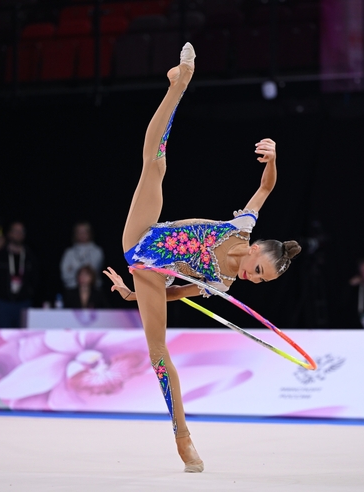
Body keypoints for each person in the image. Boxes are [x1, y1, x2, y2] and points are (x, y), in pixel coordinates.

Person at [102, 43, 301, 473]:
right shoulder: (242, 227)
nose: (252, 279)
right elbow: (266, 188)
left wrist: (133, 294)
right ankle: (179, 84)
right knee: (154, 164)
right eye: (259, 269)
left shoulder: (223, 284)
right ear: (254, 249)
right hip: (143, 237)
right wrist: (273, 158)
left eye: (261, 282)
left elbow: (179, 295)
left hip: (149, 273)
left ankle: (182, 436)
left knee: (158, 353)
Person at [0, 222, 39, 328]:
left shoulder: (30, 256)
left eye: (21, 231)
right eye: (15, 231)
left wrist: (29, 292)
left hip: (24, 303)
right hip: (4, 303)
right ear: (9, 234)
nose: (18, 234)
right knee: (3, 337)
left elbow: (35, 279)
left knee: (24, 338)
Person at [60, 221, 105, 290]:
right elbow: (65, 274)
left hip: (93, 290)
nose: (82, 234)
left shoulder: (97, 251)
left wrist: (72, 268)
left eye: (84, 231)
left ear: (89, 233)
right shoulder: (69, 252)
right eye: (79, 232)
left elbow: (93, 272)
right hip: (72, 289)